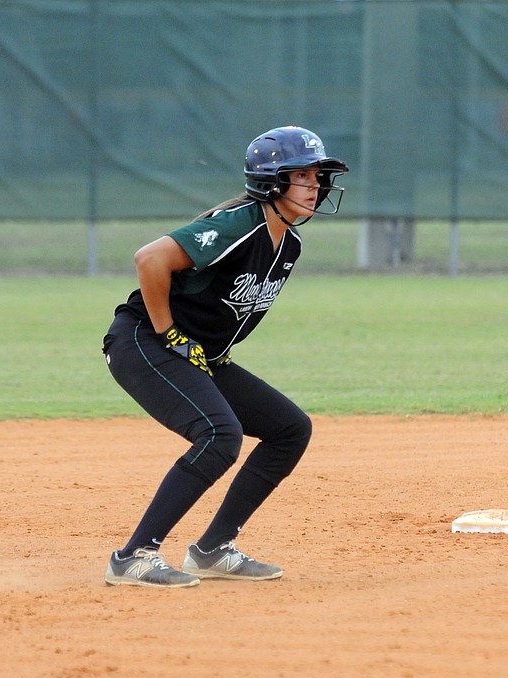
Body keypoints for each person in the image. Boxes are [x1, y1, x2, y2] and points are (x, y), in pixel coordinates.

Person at [102, 126, 348, 588]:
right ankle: (133, 556)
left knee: (289, 429)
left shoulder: (288, 245)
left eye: (319, 176)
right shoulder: (240, 224)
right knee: (219, 435)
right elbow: (150, 258)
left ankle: (212, 550)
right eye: (304, 175)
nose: (317, 185)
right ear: (273, 183)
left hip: (198, 354)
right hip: (143, 342)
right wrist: (167, 332)